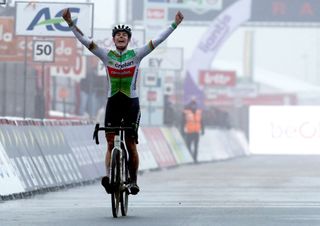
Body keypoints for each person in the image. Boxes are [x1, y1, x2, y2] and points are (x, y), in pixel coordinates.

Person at [62, 9, 184, 195]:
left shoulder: (137, 54)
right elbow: (85, 40)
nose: (120, 37)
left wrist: (174, 24)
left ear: (128, 39)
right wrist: (70, 23)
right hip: (113, 104)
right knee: (111, 144)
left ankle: (133, 180)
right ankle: (110, 178)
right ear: (113, 39)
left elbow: (158, 40)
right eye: (117, 35)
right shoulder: (106, 55)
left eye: (124, 35)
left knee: (130, 143)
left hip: (131, 104)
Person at [181, 97, 204, 163]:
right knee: (188, 146)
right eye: (192, 104)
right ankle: (190, 158)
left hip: (196, 132)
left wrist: (202, 130)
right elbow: (183, 122)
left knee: (196, 147)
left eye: (195, 105)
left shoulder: (198, 112)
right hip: (189, 132)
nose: (194, 106)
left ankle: (195, 159)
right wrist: (182, 130)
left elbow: (201, 121)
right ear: (190, 105)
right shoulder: (186, 112)